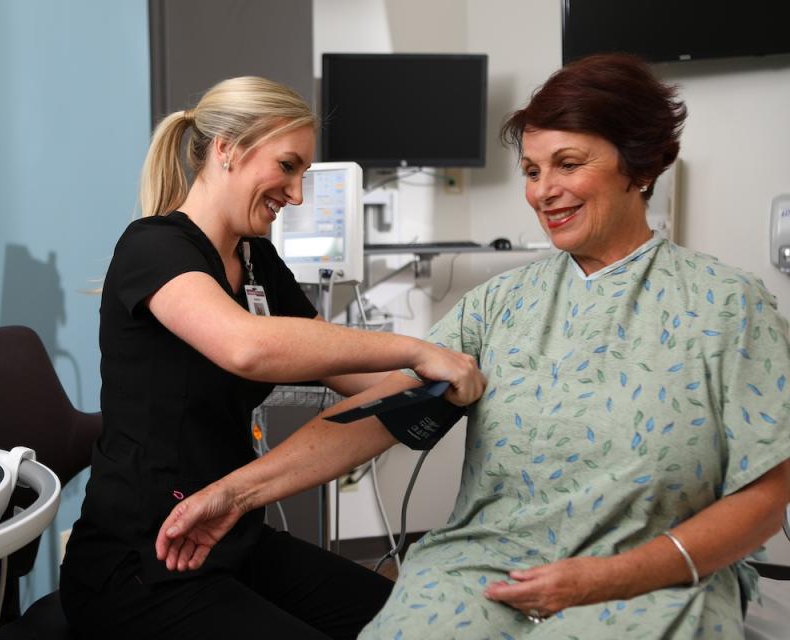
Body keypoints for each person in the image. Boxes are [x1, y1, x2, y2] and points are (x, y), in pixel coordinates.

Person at [155, 55, 790, 639]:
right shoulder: (499, 304)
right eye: (533, 171)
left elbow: (767, 493)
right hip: (486, 566)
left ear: (642, 167)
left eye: (569, 165)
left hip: (651, 577)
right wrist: (235, 494)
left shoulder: (728, 306)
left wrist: (618, 577)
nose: (544, 192)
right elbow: (378, 415)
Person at [58, 76, 484, 640]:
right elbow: (248, 347)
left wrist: (450, 382)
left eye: (303, 173)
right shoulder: (153, 247)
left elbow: (353, 373)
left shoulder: (256, 258)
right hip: (142, 560)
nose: (297, 194)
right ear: (227, 149)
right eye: (288, 166)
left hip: (232, 536)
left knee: (414, 624)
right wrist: (418, 349)